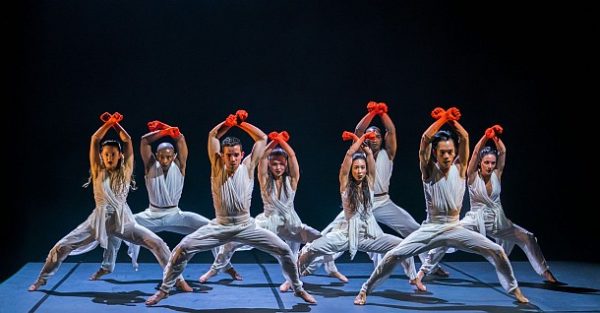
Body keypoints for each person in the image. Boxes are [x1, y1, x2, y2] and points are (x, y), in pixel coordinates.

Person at [353, 107, 529, 305]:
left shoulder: (461, 168)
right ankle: (365, 290)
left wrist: (451, 120)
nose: (447, 156)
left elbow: (465, 137)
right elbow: (424, 140)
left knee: (497, 250)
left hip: (455, 227)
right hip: (431, 227)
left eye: (450, 152)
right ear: (435, 153)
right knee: (394, 255)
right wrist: (442, 119)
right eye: (443, 152)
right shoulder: (429, 170)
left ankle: (514, 290)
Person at [145, 110, 316, 305]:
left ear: (241, 154)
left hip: (246, 225)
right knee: (182, 249)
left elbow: (262, 138)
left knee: (285, 251)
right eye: (229, 155)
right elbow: (212, 135)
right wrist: (226, 123)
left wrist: (241, 124)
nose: (233, 159)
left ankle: (298, 288)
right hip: (221, 225)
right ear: (222, 156)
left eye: (236, 155)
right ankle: (165, 290)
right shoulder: (217, 167)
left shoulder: (249, 165)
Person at [28, 112, 190, 292]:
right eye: (106, 155)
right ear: (101, 156)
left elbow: (127, 140)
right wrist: (108, 124)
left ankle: (178, 279)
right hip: (98, 220)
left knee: (157, 243)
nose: (109, 158)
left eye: (113, 154)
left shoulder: (126, 170)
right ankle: (41, 280)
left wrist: (116, 125)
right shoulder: (98, 170)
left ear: (120, 155)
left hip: (123, 221)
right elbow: (95, 139)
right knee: (61, 248)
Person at [302, 101, 448, 278]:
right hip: (359, 204)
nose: (373, 138)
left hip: (383, 201)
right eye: (369, 136)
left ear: (381, 138)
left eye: (376, 136)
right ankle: (306, 267)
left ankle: (430, 265)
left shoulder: (389, 153)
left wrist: (382, 113)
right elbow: (358, 132)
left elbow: (391, 131)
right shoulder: (361, 155)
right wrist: (371, 113)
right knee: (330, 234)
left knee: (414, 229)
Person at [89, 121, 240, 282]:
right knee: (115, 228)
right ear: (156, 155)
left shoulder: (180, 164)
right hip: (152, 215)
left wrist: (167, 128)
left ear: (174, 156)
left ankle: (225, 265)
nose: (165, 160)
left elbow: (180, 140)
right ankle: (106, 266)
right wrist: (164, 131)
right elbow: (144, 141)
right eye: (161, 157)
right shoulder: (150, 165)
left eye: (169, 157)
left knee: (213, 228)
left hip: (175, 214)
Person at [199, 130, 341, 292]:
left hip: (290, 222)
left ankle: (317, 273)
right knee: (233, 243)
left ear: (286, 165)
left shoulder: (292, 180)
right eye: (274, 164)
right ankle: (215, 268)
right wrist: (274, 142)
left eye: (281, 163)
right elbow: (262, 158)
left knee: (316, 242)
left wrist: (282, 142)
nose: (278, 167)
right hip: (268, 222)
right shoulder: (265, 180)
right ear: (269, 165)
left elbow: (292, 157)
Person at [417, 124, 558, 283]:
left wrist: (495, 137)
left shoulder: (497, 174)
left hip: (499, 221)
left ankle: (545, 273)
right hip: (476, 220)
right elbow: (476, 152)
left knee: (528, 237)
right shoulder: (471, 175)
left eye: (492, 163)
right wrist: (485, 136)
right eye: (486, 163)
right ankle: (424, 271)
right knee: (447, 236)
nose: (490, 166)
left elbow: (503, 152)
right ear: (480, 163)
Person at [297, 130, 423, 291]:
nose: (360, 171)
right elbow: (349, 156)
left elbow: (370, 158)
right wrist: (359, 138)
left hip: (370, 235)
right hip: (347, 235)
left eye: (362, 168)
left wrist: (366, 148)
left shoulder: (370, 182)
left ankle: (413, 278)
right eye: (356, 168)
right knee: (311, 249)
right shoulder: (345, 184)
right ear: (351, 170)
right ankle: (295, 277)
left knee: (403, 246)